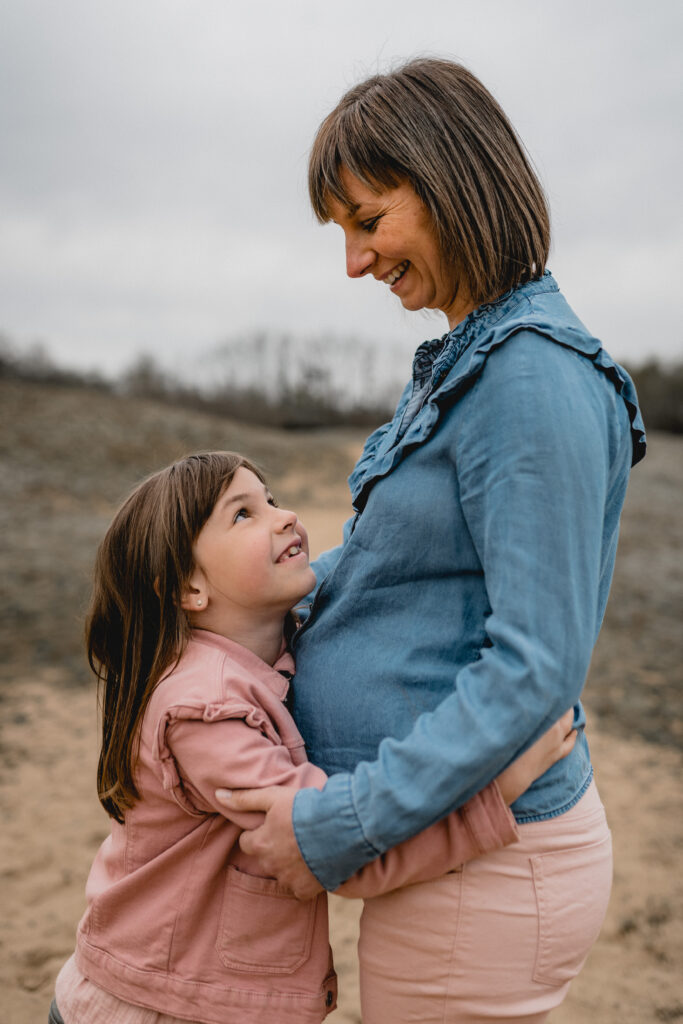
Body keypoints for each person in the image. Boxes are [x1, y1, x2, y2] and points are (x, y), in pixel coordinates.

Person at [216, 59, 647, 1022]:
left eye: (368, 222)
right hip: (452, 861)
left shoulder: (530, 380)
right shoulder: (478, 355)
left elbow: (534, 667)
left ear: (451, 182)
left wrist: (335, 826)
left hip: (488, 872)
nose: (354, 264)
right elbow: (394, 572)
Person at [48, 451, 574, 1024]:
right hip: (160, 1005)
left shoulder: (262, 647)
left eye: (270, 499)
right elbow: (331, 846)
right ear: (187, 589)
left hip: (177, 989)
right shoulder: (208, 711)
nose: (284, 515)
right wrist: (498, 791)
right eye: (243, 515)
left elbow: (353, 572)